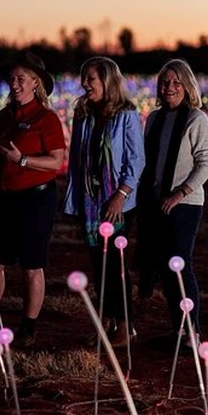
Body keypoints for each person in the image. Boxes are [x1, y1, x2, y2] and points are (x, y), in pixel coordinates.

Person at [0, 51, 65, 346]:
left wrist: (23, 160)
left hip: (36, 199)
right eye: (11, 79)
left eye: (20, 79)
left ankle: (28, 328)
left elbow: (56, 162)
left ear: (35, 83)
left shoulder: (47, 119)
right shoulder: (6, 115)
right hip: (4, 196)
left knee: (31, 264)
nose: (14, 84)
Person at [62, 57, 144, 347]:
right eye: (84, 78)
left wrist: (120, 196)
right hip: (92, 202)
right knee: (99, 265)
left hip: (118, 202)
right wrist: (76, 199)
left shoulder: (126, 115)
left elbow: (136, 161)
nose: (85, 84)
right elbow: (76, 160)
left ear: (107, 81)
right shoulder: (83, 115)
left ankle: (125, 326)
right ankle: (105, 322)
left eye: (91, 78)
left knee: (116, 266)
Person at [136, 59, 208, 344]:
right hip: (157, 202)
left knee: (180, 263)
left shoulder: (196, 119)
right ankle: (177, 328)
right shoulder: (155, 119)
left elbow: (207, 164)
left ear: (187, 85)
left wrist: (180, 192)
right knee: (163, 266)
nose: (169, 87)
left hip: (186, 203)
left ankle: (191, 330)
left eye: (175, 82)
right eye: (164, 82)